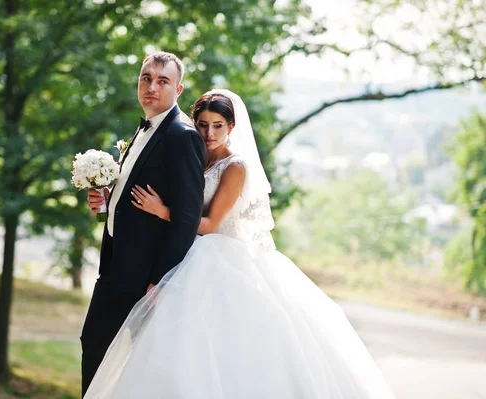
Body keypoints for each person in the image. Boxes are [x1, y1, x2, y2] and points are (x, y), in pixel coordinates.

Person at [83, 90, 396, 398]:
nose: (209, 133)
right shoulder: (191, 154)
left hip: (214, 254)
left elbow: (210, 225)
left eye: (218, 125)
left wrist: (162, 210)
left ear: (231, 127)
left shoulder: (234, 168)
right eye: (203, 124)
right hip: (180, 251)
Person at [80, 51, 206, 396]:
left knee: (141, 368)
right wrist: (108, 202)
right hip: (115, 268)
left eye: (162, 80)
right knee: (94, 347)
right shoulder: (142, 131)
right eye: (146, 78)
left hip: (145, 279)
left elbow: (187, 217)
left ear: (178, 90)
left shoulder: (183, 136)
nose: (152, 86)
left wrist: (160, 281)